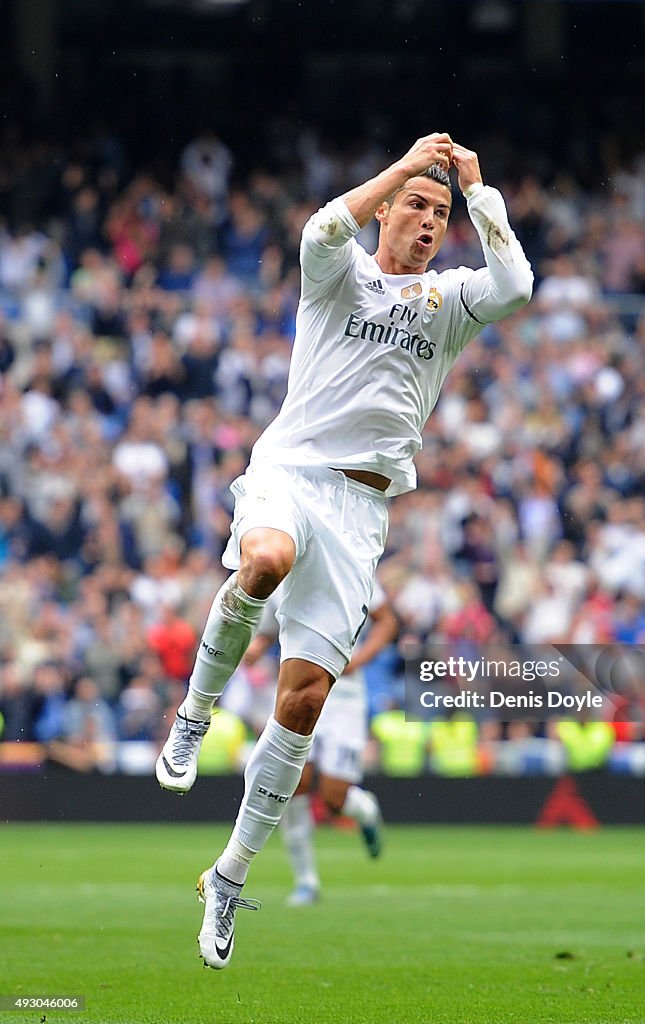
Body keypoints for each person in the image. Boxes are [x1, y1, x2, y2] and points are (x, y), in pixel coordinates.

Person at [155, 131, 533, 969]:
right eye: (417, 207)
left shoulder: (451, 300)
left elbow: (517, 285)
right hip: (289, 471)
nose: (429, 223)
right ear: (390, 208)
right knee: (262, 562)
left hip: (362, 511)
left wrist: (479, 193)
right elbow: (321, 229)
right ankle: (192, 716)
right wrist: (400, 168)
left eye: (440, 213)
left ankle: (228, 876)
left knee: (301, 703)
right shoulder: (340, 274)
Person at [245, 577, 399, 906]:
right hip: (297, 690)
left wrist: (361, 659)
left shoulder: (351, 564)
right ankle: (306, 882)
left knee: (333, 798)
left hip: (343, 697)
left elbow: (387, 620)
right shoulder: (284, 572)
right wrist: (257, 646)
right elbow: (272, 626)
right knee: (294, 783)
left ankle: (366, 811)